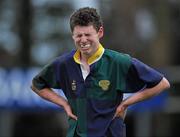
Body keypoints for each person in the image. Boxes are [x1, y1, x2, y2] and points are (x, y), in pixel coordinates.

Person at [31, 7, 170, 137]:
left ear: (100, 32)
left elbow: (162, 83)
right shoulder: (63, 64)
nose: (83, 40)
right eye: (78, 35)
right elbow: (36, 85)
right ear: (72, 36)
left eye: (88, 34)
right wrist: (64, 103)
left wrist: (126, 104)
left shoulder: (118, 62)